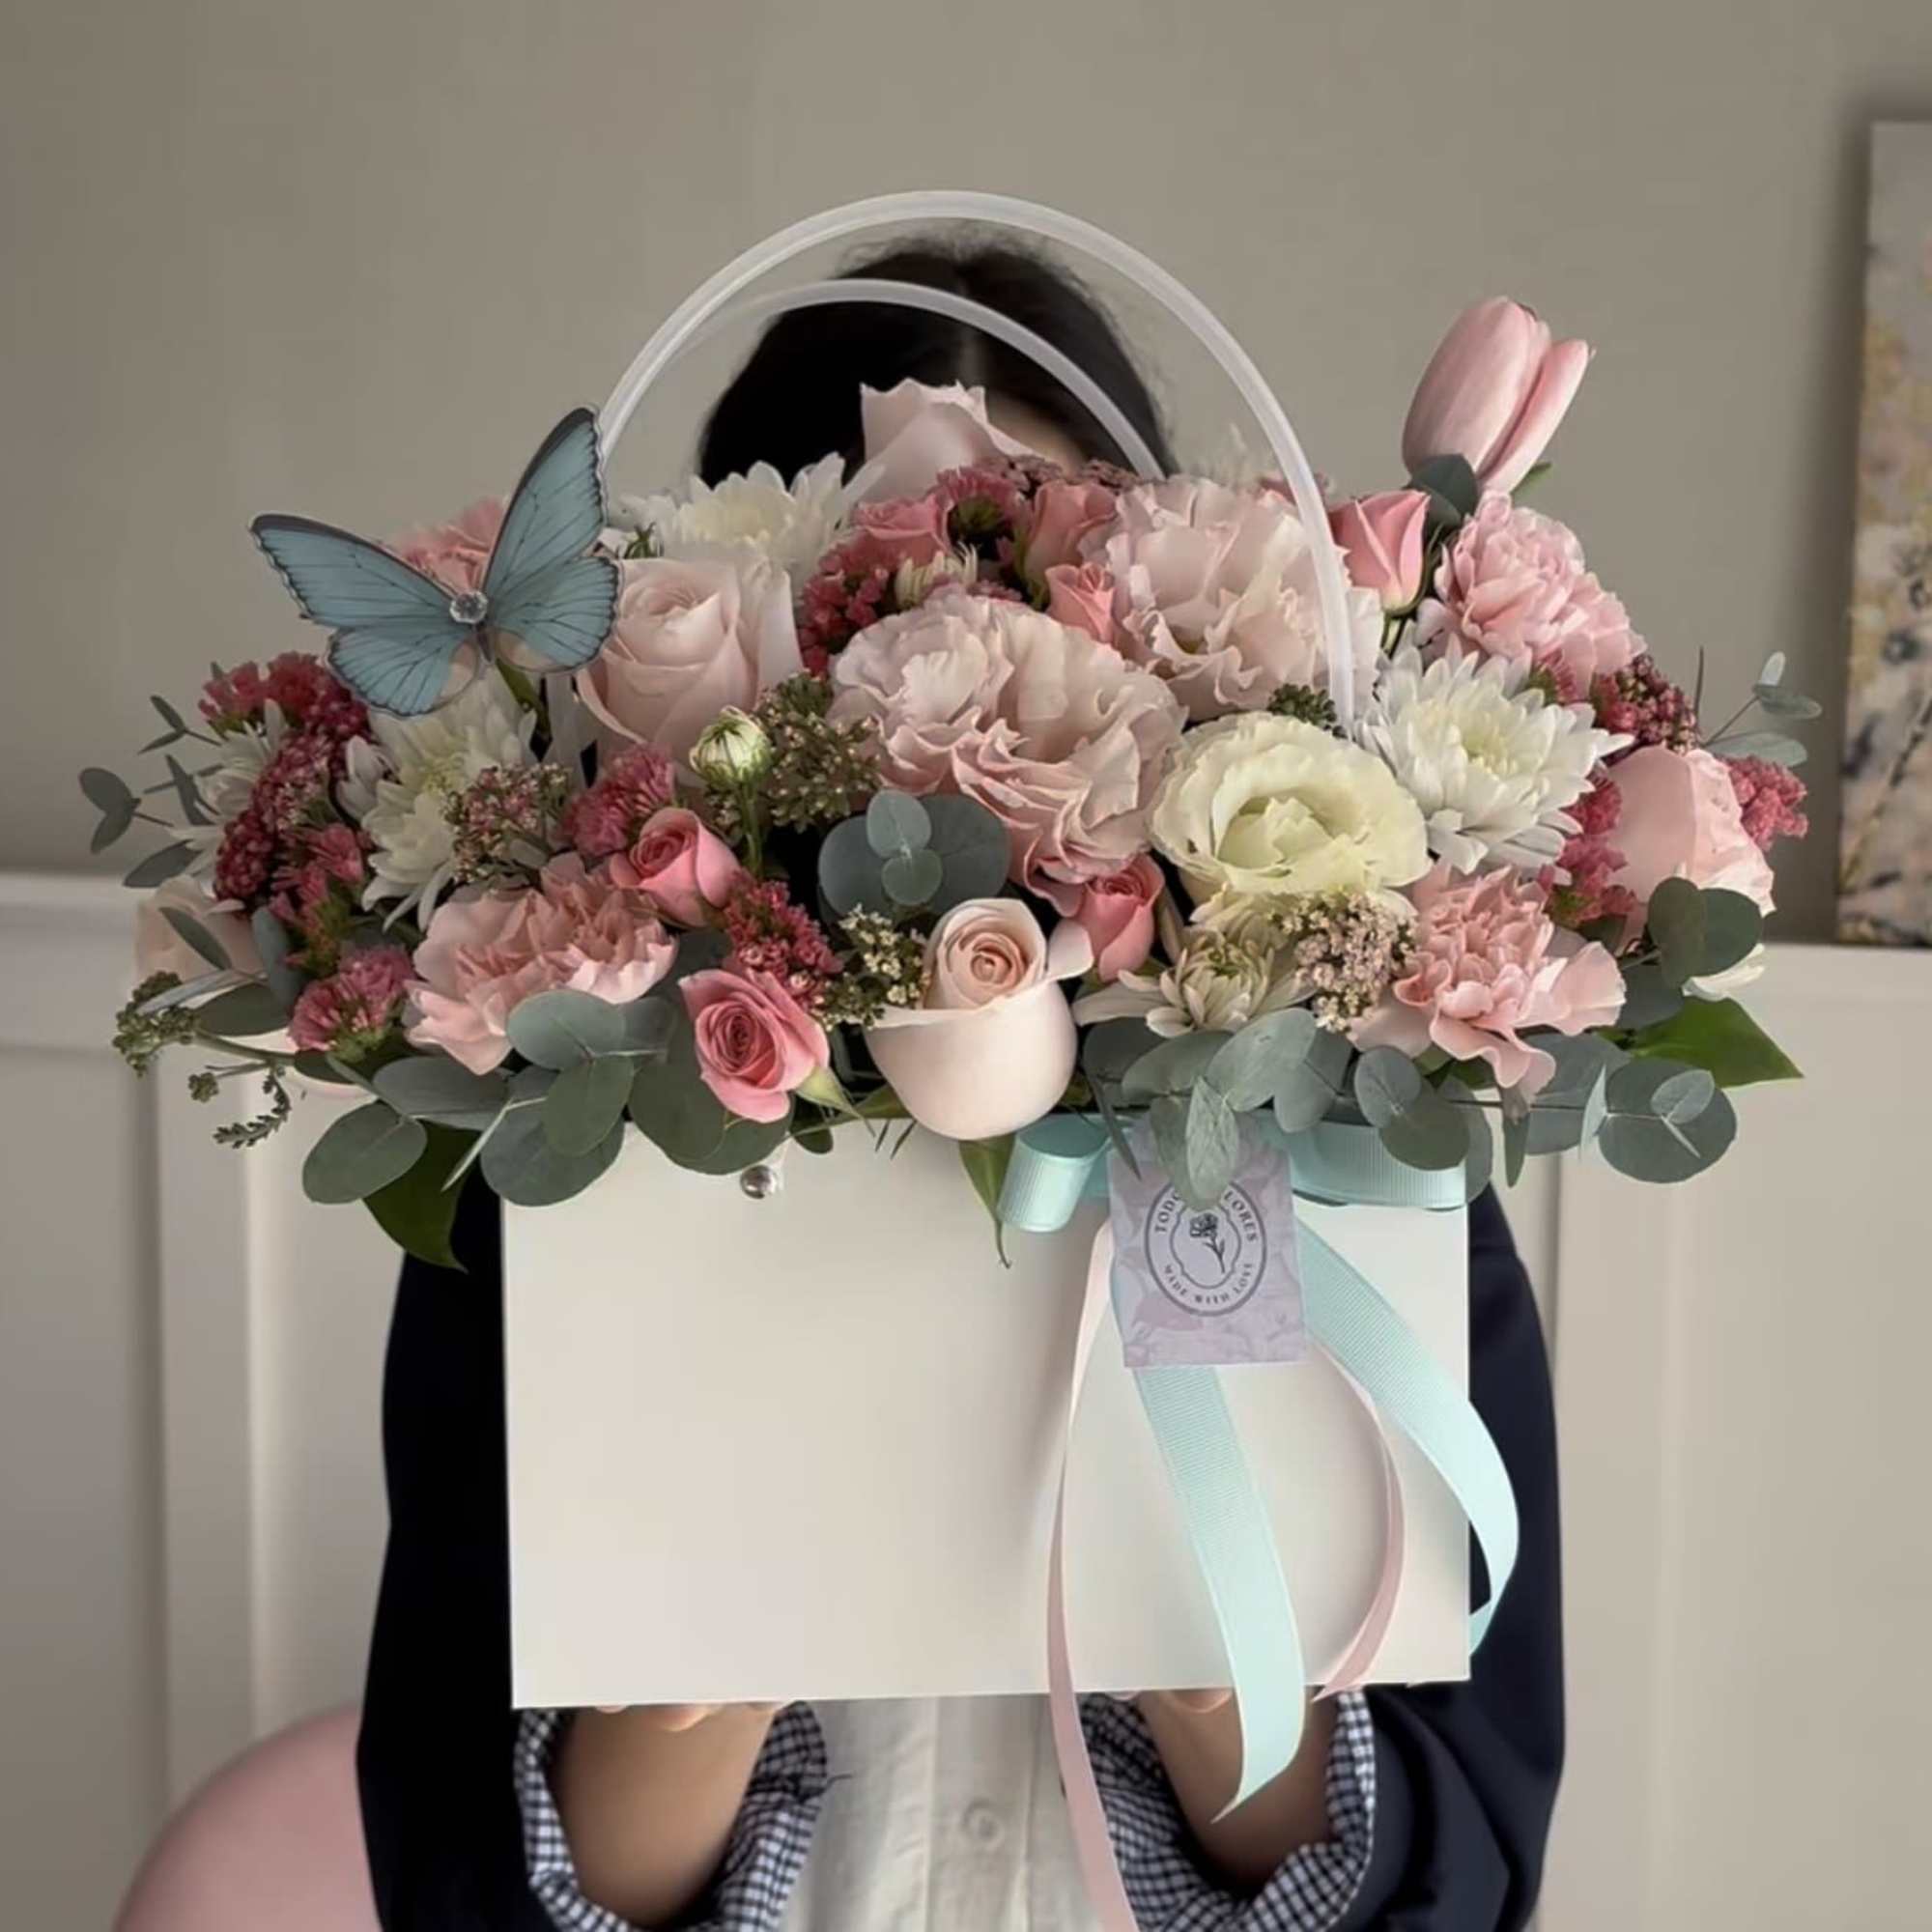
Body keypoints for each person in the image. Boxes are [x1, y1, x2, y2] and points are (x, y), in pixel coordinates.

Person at [355, 243, 1564, 1932]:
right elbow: (459, 1883)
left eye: (1039, 577)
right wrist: (695, 1662)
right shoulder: (552, 1170)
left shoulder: (1359, 1158)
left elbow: (1463, 1870)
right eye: (890, 605)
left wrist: (1203, 1634)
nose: (973, 669)